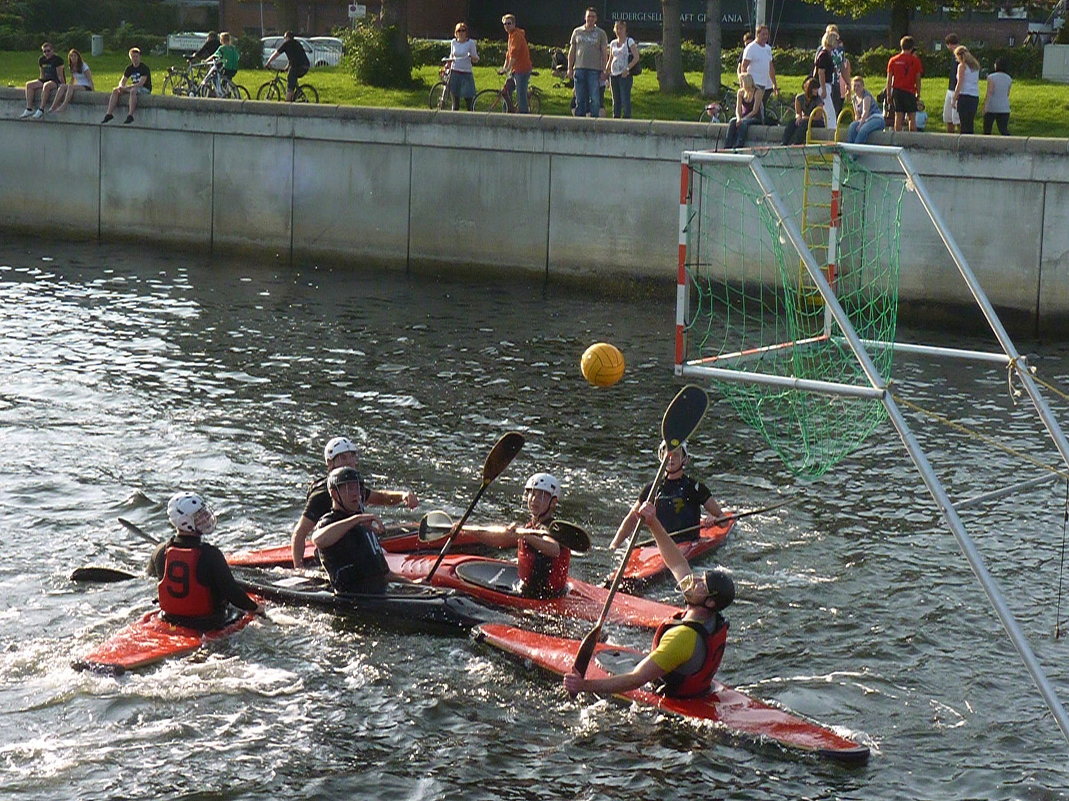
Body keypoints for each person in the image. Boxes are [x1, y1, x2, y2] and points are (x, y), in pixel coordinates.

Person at [564, 501, 734, 698]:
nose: (693, 580)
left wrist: (583, 685)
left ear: (710, 602)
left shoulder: (682, 638)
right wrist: (653, 523)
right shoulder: (712, 619)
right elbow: (677, 561)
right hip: (699, 690)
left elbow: (636, 679)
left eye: (700, 583)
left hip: (674, 699)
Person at [290, 436, 418, 567]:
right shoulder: (322, 494)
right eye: (343, 458)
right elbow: (300, 533)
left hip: (353, 543)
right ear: (330, 463)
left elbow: (381, 497)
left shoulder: (354, 486)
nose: (350, 462)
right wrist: (299, 568)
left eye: (351, 456)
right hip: (335, 555)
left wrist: (403, 496)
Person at [149, 492, 261, 629]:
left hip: (169, 618)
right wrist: (257, 609)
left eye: (204, 513)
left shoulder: (160, 551)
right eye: (199, 517)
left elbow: (150, 576)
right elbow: (233, 593)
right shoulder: (211, 554)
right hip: (208, 622)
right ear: (185, 521)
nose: (206, 518)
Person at [470, 472, 572, 599]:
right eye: (533, 494)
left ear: (553, 502)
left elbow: (554, 549)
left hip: (546, 597)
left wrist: (525, 535)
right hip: (529, 589)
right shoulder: (530, 526)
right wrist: (471, 532)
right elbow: (501, 541)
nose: (535, 500)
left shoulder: (552, 528)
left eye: (542, 496)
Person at [312, 467, 410, 593]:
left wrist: (413, 584)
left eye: (357, 487)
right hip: (351, 597)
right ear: (335, 493)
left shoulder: (365, 525)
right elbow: (318, 540)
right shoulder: (330, 521)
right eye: (349, 488)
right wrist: (356, 519)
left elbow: (384, 574)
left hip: (377, 594)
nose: (356, 493)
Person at [610, 440, 725, 548]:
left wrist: (715, 519)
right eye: (668, 454)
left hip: (690, 543)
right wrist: (614, 546)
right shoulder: (652, 489)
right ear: (661, 456)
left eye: (676, 455)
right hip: (661, 547)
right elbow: (631, 520)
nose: (671, 459)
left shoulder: (695, 488)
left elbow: (723, 519)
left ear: (684, 459)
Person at [567, 7, 609, 118]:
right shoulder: (577, 31)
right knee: (580, 98)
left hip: (594, 70)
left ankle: (594, 120)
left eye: (593, 17)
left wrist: (604, 69)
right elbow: (572, 51)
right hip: (579, 68)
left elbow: (604, 52)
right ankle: (580, 121)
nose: (590, 19)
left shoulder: (601, 33)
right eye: (588, 16)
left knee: (595, 98)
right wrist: (569, 68)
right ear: (585, 17)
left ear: (596, 19)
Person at [102, 48, 151, 125]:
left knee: (133, 91)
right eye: (133, 57)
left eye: (136, 56)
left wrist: (126, 88)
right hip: (133, 88)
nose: (135, 59)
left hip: (144, 89)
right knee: (115, 91)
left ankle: (130, 115)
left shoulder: (144, 68)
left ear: (139, 57)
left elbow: (140, 83)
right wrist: (121, 87)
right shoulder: (129, 68)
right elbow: (123, 80)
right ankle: (109, 114)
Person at [885, 36, 923, 132]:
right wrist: (918, 92)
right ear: (911, 47)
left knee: (898, 117)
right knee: (911, 118)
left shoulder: (893, 60)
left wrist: (889, 94)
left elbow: (889, 80)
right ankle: (912, 140)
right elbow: (918, 79)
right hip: (910, 91)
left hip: (897, 91)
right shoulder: (915, 61)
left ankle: (897, 139)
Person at [740, 24, 778, 120]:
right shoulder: (751, 48)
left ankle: (760, 121)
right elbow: (743, 67)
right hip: (755, 84)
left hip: (766, 84)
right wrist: (744, 84)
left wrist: (774, 84)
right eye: (763, 34)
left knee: (762, 107)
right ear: (757, 35)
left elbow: (770, 67)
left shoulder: (768, 49)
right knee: (757, 107)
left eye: (767, 34)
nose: (765, 37)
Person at [19, 42, 65, 119]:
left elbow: (60, 75)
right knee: (29, 85)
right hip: (45, 79)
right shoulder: (41, 60)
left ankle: (41, 109)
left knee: (46, 85)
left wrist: (63, 85)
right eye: (44, 51)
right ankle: (29, 108)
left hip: (55, 80)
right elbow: (42, 73)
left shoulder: (58, 60)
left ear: (52, 50)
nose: (46, 53)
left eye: (48, 51)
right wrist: (39, 82)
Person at [606, 20, 640, 119]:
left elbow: (636, 57)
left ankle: (626, 117)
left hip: (625, 74)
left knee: (625, 97)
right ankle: (615, 116)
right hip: (614, 73)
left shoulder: (629, 41)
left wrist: (628, 68)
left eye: (621, 28)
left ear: (625, 29)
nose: (619, 30)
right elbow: (611, 58)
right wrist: (607, 70)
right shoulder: (613, 43)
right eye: (617, 28)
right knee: (615, 98)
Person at [500, 14, 533, 113]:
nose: (507, 26)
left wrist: (508, 68)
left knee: (520, 95)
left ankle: (524, 117)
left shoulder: (517, 35)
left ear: (514, 24)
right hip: (515, 69)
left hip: (522, 69)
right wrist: (504, 67)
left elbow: (514, 54)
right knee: (506, 90)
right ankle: (509, 112)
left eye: (509, 23)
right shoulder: (510, 36)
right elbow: (508, 54)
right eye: (505, 24)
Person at [265, 31, 310, 103]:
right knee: (292, 77)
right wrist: (287, 67)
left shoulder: (286, 44)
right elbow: (293, 57)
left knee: (290, 80)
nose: (284, 39)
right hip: (305, 66)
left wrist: (268, 62)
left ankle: (287, 103)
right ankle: (295, 95)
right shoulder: (296, 43)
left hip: (297, 67)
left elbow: (276, 54)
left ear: (287, 37)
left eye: (284, 38)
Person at [780, 76, 825, 145]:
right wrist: (798, 117)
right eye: (815, 89)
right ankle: (784, 142)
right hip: (805, 119)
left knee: (804, 123)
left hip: (816, 121)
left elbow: (817, 117)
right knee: (792, 122)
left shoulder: (818, 100)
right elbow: (798, 112)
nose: (817, 91)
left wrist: (805, 118)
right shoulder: (799, 98)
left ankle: (796, 142)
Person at [723, 73, 763, 149]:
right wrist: (738, 118)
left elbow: (755, 110)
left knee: (744, 123)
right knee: (732, 121)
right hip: (743, 116)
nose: (740, 84)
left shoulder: (757, 92)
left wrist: (743, 119)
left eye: (742, 82)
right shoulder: (740, 92)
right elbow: (738, 108)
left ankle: (739, 144)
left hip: (754, 117)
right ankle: (728, 145)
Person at [447, 22, 479, 111]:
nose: (461, 33)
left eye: (463, 30)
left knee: (469, 100)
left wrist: (471, 56)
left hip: (466, 73)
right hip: (455, 72)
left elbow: (475, 59)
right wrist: (448, 64)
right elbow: (451, 55)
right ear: (455, 33)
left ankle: (471, 118)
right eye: (459, 31)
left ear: (466, 32)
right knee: (455, 102)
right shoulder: (453, 42)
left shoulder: (470, 43)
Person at [49, 49, 93, 114]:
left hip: (86, 85)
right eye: (71, 56)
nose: (73, 58)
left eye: (75, 56)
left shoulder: (83, 66)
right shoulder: (71, 66)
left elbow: (89, 79)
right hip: (78, 85)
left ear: (78, 57)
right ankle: (53, 106)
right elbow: (73, 79)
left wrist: (92, 89)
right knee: (62, 86)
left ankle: (64, 105)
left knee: (70, 87)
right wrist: (67, 86)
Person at [846, 75, 885, 144]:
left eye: (858, 86)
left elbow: (865, 112)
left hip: (876, 119)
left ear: (863, 86)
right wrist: (856, 123)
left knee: (863, 130)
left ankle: (856, 151)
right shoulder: (854, 98)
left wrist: (860, 124)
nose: (856, 88)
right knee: (852, 126)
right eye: (854, 86)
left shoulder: (866, 96)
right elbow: (857, 114)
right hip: (865, 120)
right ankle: (850, 149)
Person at [952, 45, 981, 135]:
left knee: (964, 123)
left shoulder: (962, 66)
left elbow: (960, 83)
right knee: (970, 122)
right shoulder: (975, 67)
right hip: (974, 96)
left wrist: (954, 98)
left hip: (964, 95)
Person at [812, 32, 839, 129]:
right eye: (836, 40)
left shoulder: (827, 54)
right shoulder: (824, 55)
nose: (837, 43)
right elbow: (821, 72)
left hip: (826, 84)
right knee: (829, 112)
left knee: (828, 111)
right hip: (822, 85)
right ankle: (832, 131)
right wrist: (823, 88)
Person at [824, 24, 852, 117]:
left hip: (835, 83)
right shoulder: (823, 50)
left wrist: (848, 83)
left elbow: (842, 67)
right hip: (826, 82)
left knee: (835, 110)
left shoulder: (840, 50)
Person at [982, 59, 1012, 136]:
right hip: (1004, 107)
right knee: (1003, 129)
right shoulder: (1009, 78)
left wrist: (985, 105)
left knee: (987, 130)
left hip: (992, 107)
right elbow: (1007, 93)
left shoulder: (991, 77)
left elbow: (990, 92)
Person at [942, 33, 961, 134]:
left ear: (949, 44)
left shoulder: (960, 55)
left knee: (956, 118)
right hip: (950, 88)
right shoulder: (954, 56)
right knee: (948, 117)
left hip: (956, 89)